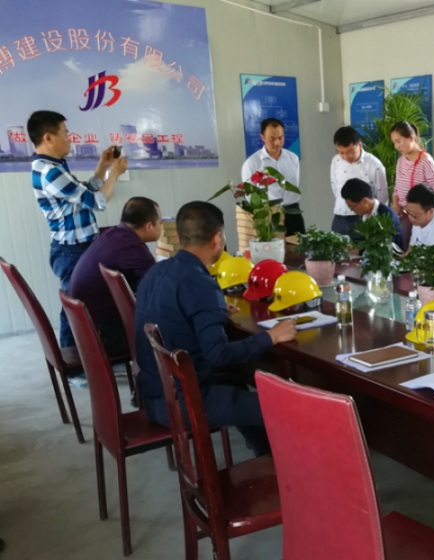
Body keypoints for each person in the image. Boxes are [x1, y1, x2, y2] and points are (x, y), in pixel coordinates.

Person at [134, 201, 297, 455]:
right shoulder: (201, 284)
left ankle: (266, 457)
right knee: (291, 406)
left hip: (156, 396)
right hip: (188, 402)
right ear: (217, 239)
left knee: (236, 384)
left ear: (180, 237)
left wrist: (213, 311)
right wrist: (270, 337)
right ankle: (294, 471)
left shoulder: (155, 272)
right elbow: (218, 355)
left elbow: (176, 313)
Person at [28, 109, 128, 347]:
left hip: (78, 246)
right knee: (75, 306)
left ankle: (95, 352)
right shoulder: (49, 171)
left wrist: (103, 166)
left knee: (83, 302)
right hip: (72, 250)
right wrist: (115, 173)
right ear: (48, 137)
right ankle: (72, 359)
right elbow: (96, 201)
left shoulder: (52, 166)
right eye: (65, 133)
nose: (69, 138)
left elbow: (83, 192)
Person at [69, 197, 163, 356]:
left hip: (85, 327)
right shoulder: (133, 247)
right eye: (160, 222)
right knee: (170, 328)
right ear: (149, 226)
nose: (161, 226)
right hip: (104, 335)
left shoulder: (113, 234)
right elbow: (156, 290)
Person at [241, 118, 304, 234]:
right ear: (263, 137)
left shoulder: (293, 158)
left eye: (280, 138)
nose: (277, 143)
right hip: (269, 215)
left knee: (297, 244)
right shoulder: (252, 163)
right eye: (272, 139)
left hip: (293, 213)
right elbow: (249, 196)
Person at [330, 126, 388, 236]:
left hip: (363, 219)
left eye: (350, 151)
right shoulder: (336, 161)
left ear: (360, 145)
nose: (346, 156)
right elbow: (335, 187)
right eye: (341, 152)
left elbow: (382, 198)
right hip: (340, 216)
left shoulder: (374, 165)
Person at [390, 121, 434, 217]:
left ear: (411, 138)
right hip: (403, 216)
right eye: (394, 143)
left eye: (398, 141)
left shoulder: (426, 161)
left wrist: (418, 209)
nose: (396, 146)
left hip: (420, 218)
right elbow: (397, 189)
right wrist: (395, 204)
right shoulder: (401, 161)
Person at [340, 178, 404, 250]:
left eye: (352, 207)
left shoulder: (386, 215)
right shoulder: (364, 215)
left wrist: (355, 249)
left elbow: (385, 247)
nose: (352, 211)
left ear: (364, 201)